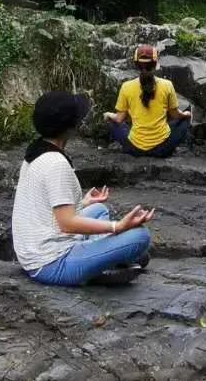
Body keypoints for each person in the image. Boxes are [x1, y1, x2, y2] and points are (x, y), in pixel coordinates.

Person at [12, 89, 155, 287]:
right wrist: (118, 227)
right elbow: (67, 224)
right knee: (141, 237)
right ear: (71, 127)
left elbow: (42, 206)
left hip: (35, 251)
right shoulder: (56, 164)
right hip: (52, 263)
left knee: (98, 210)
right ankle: (102, 265)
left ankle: (107, 259)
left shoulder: (35, 152)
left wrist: (83, 202)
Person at [104, 45, 193, 159]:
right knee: (185, 117)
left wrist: (108, 114)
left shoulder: (126, 87)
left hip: (135, 149)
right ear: (155, 64)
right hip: (162, 149)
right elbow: (175, 115)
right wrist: (186, 114)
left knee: (111, 122)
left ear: (136, 64)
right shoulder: (167, 85)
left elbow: (119, 119)